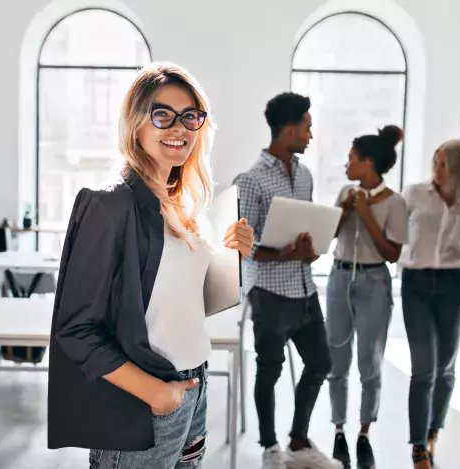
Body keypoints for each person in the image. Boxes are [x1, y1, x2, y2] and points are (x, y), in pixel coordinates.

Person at [46, 63, 254, 469]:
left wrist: (232, 258)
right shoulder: (110, 205)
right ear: (137, 123)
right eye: (163, 115)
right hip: (147, 398)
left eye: (190, 117)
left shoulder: (181, 204)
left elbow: (175, 302)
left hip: (193, 388)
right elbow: (75, 329)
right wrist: (156, 394)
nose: (179, 128)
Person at [233, 92, 340, 469]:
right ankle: (269, 447)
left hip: (307, 291)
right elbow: (241, 246)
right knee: (269, 370)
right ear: (290, 128)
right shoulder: (250, 180)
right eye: (308, 127)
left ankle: (298, 440)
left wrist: (309, 248)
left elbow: (303, 229)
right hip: (272, 296)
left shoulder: (306, 175)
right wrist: (283, 254)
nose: (311, 135)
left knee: (321, 362)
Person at [327, 125, 408, 469]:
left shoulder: (396, 202)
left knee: (369, 363)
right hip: (339, 276)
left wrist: (367, 217)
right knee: (336, 361)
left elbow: (392, 254)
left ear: (368, 163)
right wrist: (345, 212)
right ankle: (339, 432)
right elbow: (327, 237)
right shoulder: (347, 191)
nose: (346, 165)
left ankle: (364, 434)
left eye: (351, 159)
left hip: (375, 282)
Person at [398, 139, 460, 468]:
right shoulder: (414, 194)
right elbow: (396, 232)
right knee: (423, 369)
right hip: (415, 283)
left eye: (444, 164)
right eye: (435, 163)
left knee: (445, 367)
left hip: (453, 284)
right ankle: (418, 444)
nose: (437, 171)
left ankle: (433, 431)